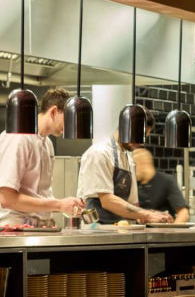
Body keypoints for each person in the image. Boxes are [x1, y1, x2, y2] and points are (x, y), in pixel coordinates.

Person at [0, 88, 85, 226]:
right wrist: (58, 204)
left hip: (37, 227)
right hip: (13, 227)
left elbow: (39, 194)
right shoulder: (19, 137)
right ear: (53, 112)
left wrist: (66, 205)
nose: (71, 126)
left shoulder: (48, 143)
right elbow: (6, 198)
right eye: (68, 119)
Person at [77, 108, 172, 224]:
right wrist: (147, 214)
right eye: (139, 135)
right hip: (95, 228)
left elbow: (133, 203)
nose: (141, 143)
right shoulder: (99, 154)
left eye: (144, 137)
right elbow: (107, 201)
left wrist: (152, 215)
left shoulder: (129, 160)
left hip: (119, 228)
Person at [132, 148, 189, 223]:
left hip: (163, 228)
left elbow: (183, 213)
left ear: (143, 164)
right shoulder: (133, 183)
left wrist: (174, 228)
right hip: (139, 229)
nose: (132, 169)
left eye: (134, 166)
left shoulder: (166, 180)